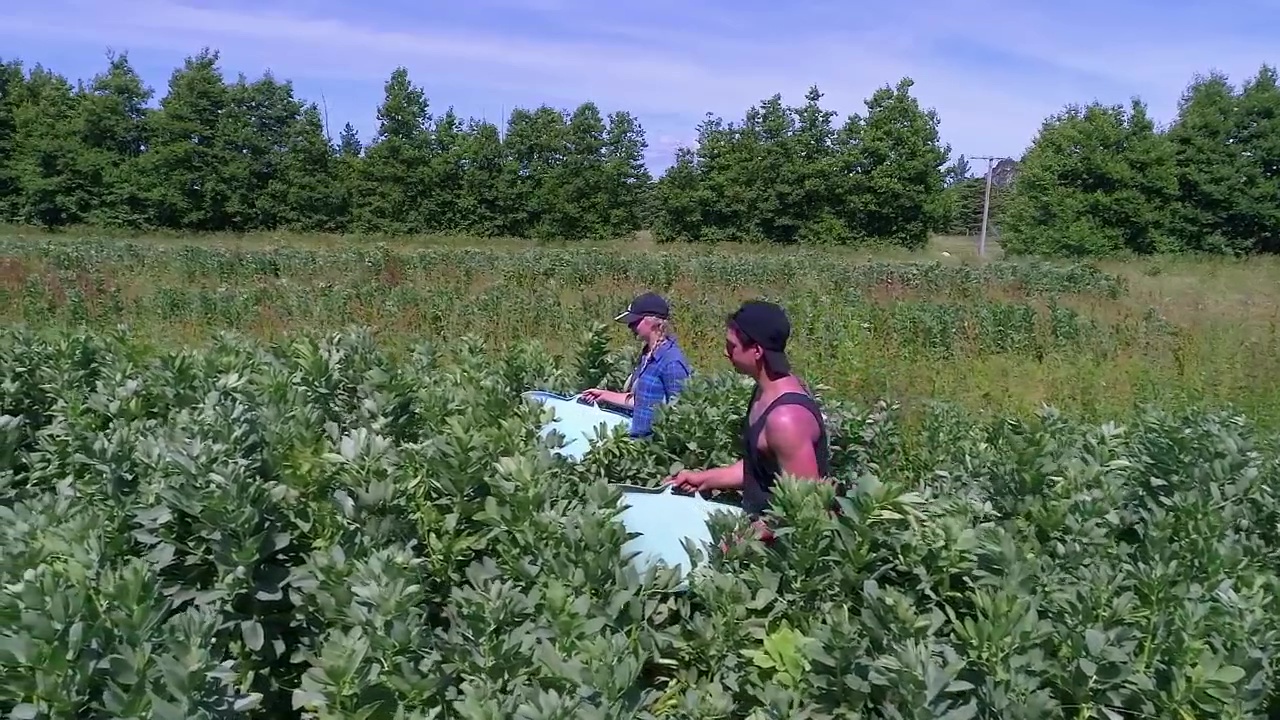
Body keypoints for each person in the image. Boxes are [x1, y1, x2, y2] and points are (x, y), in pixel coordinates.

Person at [665, 300, 831, 538]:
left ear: (757, 351)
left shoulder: (786, 420)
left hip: (787, 555)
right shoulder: (764, 392)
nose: (725, 352)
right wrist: (706, 478)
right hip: (758, 530)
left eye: (731, 346)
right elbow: (759, 469)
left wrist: (743, 540)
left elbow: (808, 510)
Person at [580, 292, 693, 438]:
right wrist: (604, 395)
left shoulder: (671, 362)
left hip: (655, 447)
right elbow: (641, 401)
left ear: (650, 321)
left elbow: (682, 412)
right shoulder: (648, 354)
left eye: (634, 321)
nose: (630, 326)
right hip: (638, 443)